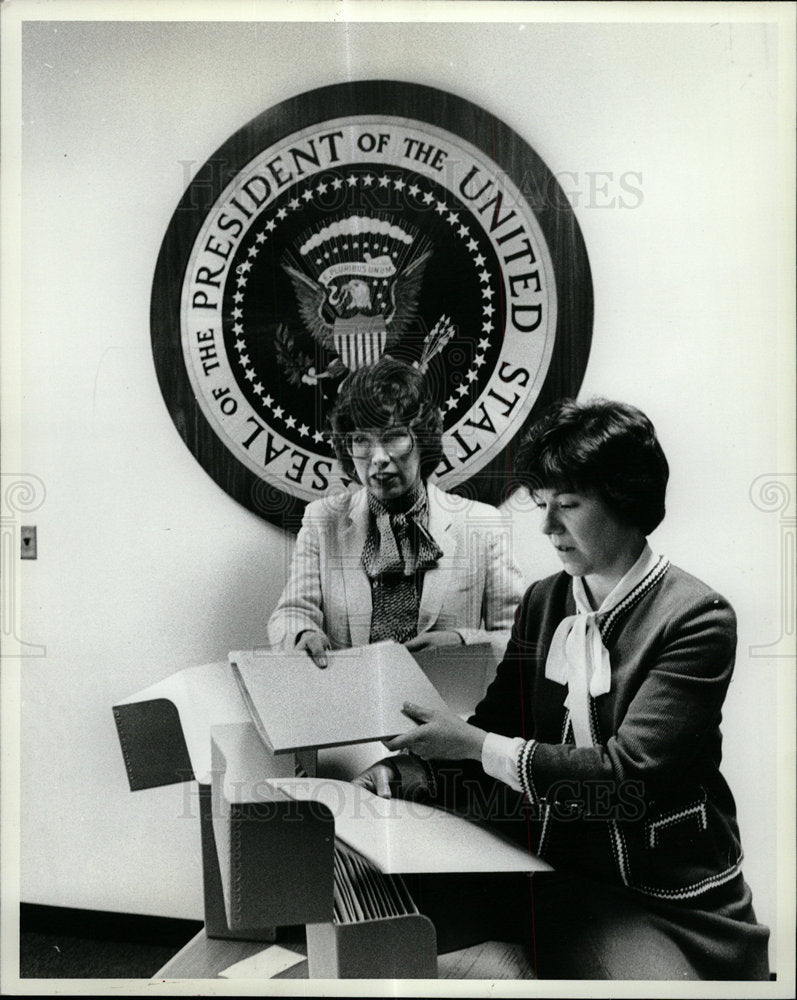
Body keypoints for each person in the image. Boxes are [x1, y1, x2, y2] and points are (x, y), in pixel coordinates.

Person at [356, 398, 770, 981]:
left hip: (660, 897)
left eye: (568, 506)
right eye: (543, 505)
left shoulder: (697, 618)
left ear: (625, 502)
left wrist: (474, 745)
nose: (548, 527)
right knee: (379, 942)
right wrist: (412, 774)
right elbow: (500, 726)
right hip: (540, 870)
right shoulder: (544, 601)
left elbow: (629, 776)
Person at [267, 356, 524, 668]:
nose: (378, 458)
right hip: (354, 707)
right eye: (362, 440)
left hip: (450, 709)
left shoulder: (482, 524)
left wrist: (461, 641)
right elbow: (292, 611)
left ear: (423, 440)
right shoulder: (322, 519)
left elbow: (520, 637)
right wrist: (301, 633)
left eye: (394, 437)